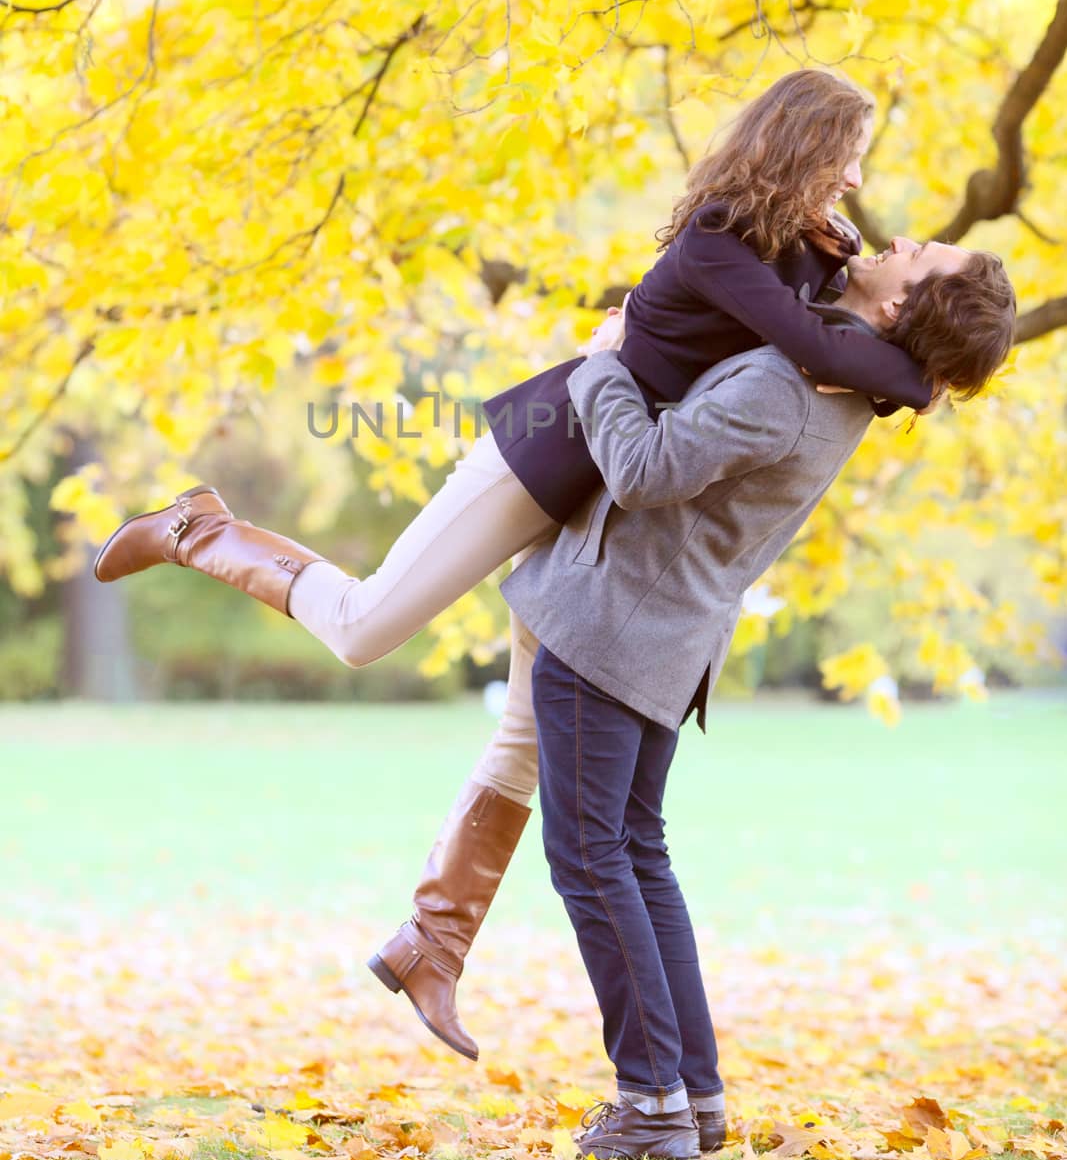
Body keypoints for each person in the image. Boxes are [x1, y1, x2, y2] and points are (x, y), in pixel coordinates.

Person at [94, 69, 932, 1056]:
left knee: (525, 744)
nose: (857, 174)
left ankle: (430, 945)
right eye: (846, 152)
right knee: (366, 626)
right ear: (801, 146)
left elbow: (866, 358)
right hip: (552, 445)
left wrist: (916, 359)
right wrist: (930, 371)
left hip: (608, 494)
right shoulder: (718, 238)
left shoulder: (810, 248)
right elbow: (832, 352)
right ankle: (200, 529)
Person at [511, 235, 1017, 1160]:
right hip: (660, 638)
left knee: (591, 860)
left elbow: (640, 469)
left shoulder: (787, 392)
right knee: (633, 855)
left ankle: (652, 1102)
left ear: (900, 310)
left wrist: (599, 365)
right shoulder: (835, 382)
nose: (894, 236)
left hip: (614, 631)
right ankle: (688, 1095)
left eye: (914, 256)